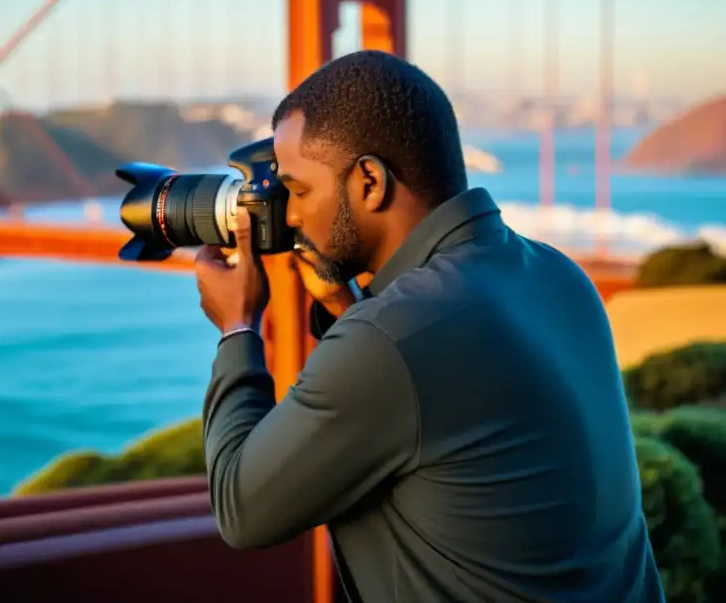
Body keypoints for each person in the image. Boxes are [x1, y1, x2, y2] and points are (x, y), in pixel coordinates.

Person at [194, 50, 664, 603]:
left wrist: (237, 327)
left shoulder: (390, 339)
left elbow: (241, 507)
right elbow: (450, 396)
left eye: (299, 191)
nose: (290, 217)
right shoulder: (558, 275)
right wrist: (352, 311)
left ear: (370, 182)